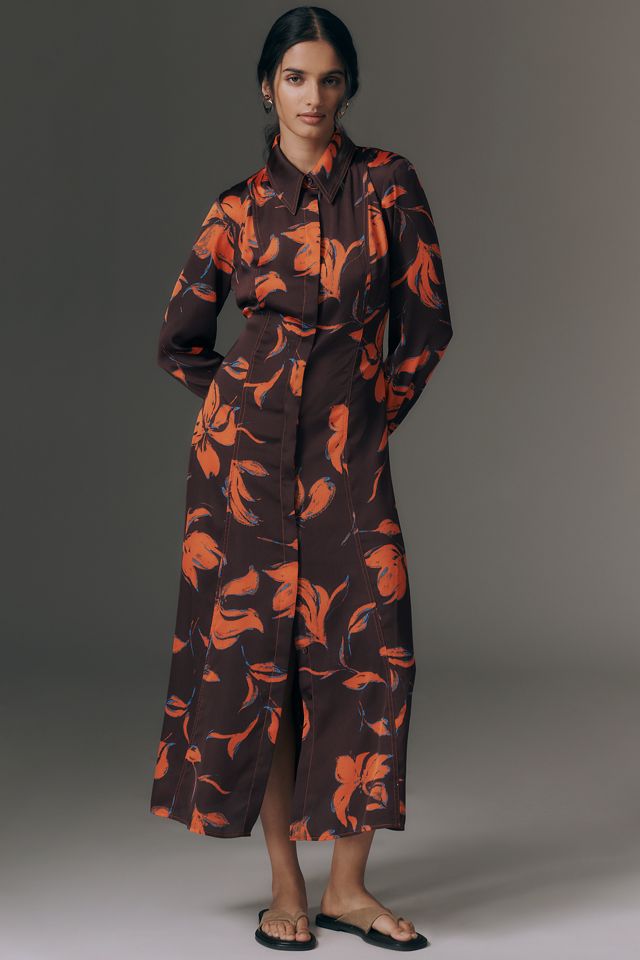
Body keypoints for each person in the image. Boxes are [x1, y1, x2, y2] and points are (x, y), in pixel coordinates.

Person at [150, 5, 453, 951]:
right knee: (264, 668)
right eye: (294, 78)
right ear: (267, 87)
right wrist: (238, 408)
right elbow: (181, 341)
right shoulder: (235, 209)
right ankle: (286, 884)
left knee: (374, 658)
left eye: (328, 79)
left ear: (348, 87)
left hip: (346, 467)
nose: (312, 97)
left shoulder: (389, 186)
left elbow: (427, 325)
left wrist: (368, 416)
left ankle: (349, 889)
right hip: (243, 472)